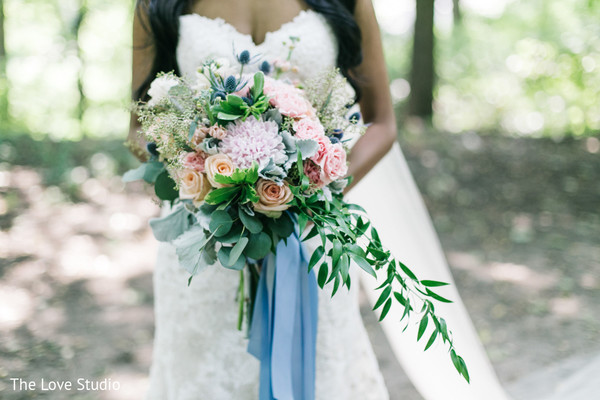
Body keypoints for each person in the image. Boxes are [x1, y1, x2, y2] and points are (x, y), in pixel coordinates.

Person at [128, 0, 512, 399]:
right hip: (206, 238)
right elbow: (137, 130)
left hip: (312, 234)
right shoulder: (158, 5)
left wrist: (308, 191)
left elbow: (380, 121)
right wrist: (206, 173)